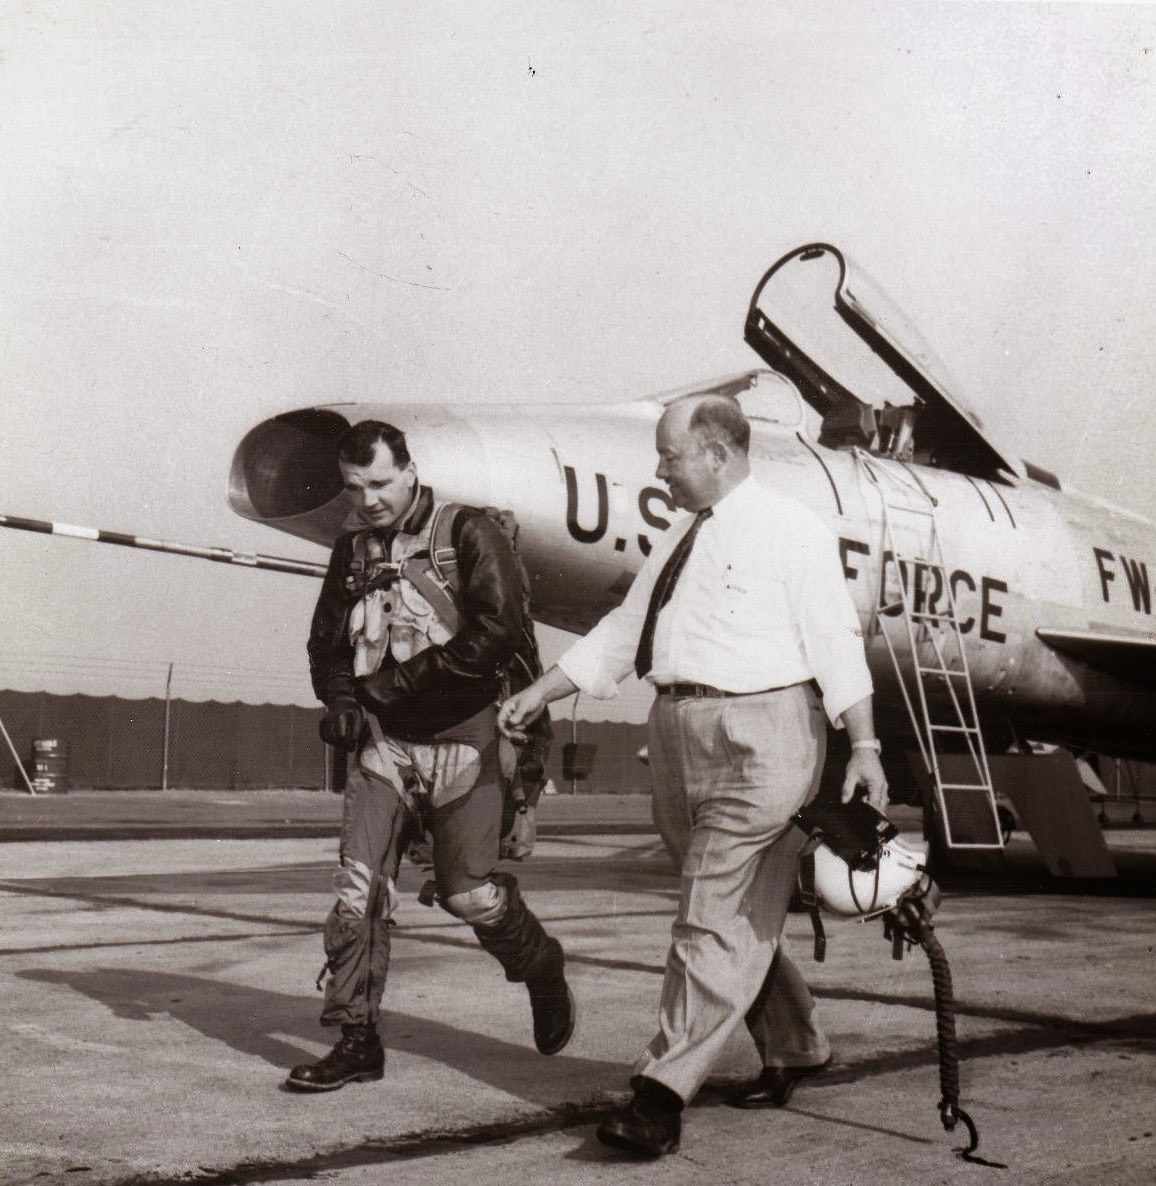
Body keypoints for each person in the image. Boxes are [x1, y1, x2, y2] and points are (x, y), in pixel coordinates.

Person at [499, 393, 887, 1157]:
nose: (660, 469)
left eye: (669, 456)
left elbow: (836, 641)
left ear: (716, 453)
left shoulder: (793, 529)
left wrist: (866, 747)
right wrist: (541, 691)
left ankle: (659, 1094)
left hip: (762, 735)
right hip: (678, 734)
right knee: (729, 912)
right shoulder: (681, 533)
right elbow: (623, 633)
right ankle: (798, 1044)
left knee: (710, 915)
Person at [286, 419, 574, 1093]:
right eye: (356, 487)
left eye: (381, 483)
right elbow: (327, 645)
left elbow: (497, 636)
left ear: (410, 469)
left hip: (464, 740)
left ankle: (540, 965)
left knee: (469, 893)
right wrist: (342, 703)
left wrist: (390, 686)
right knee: (356, 894)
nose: (370, 500)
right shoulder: (351, 550)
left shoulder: (470, 532)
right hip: (382, 745)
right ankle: (357, 1039)